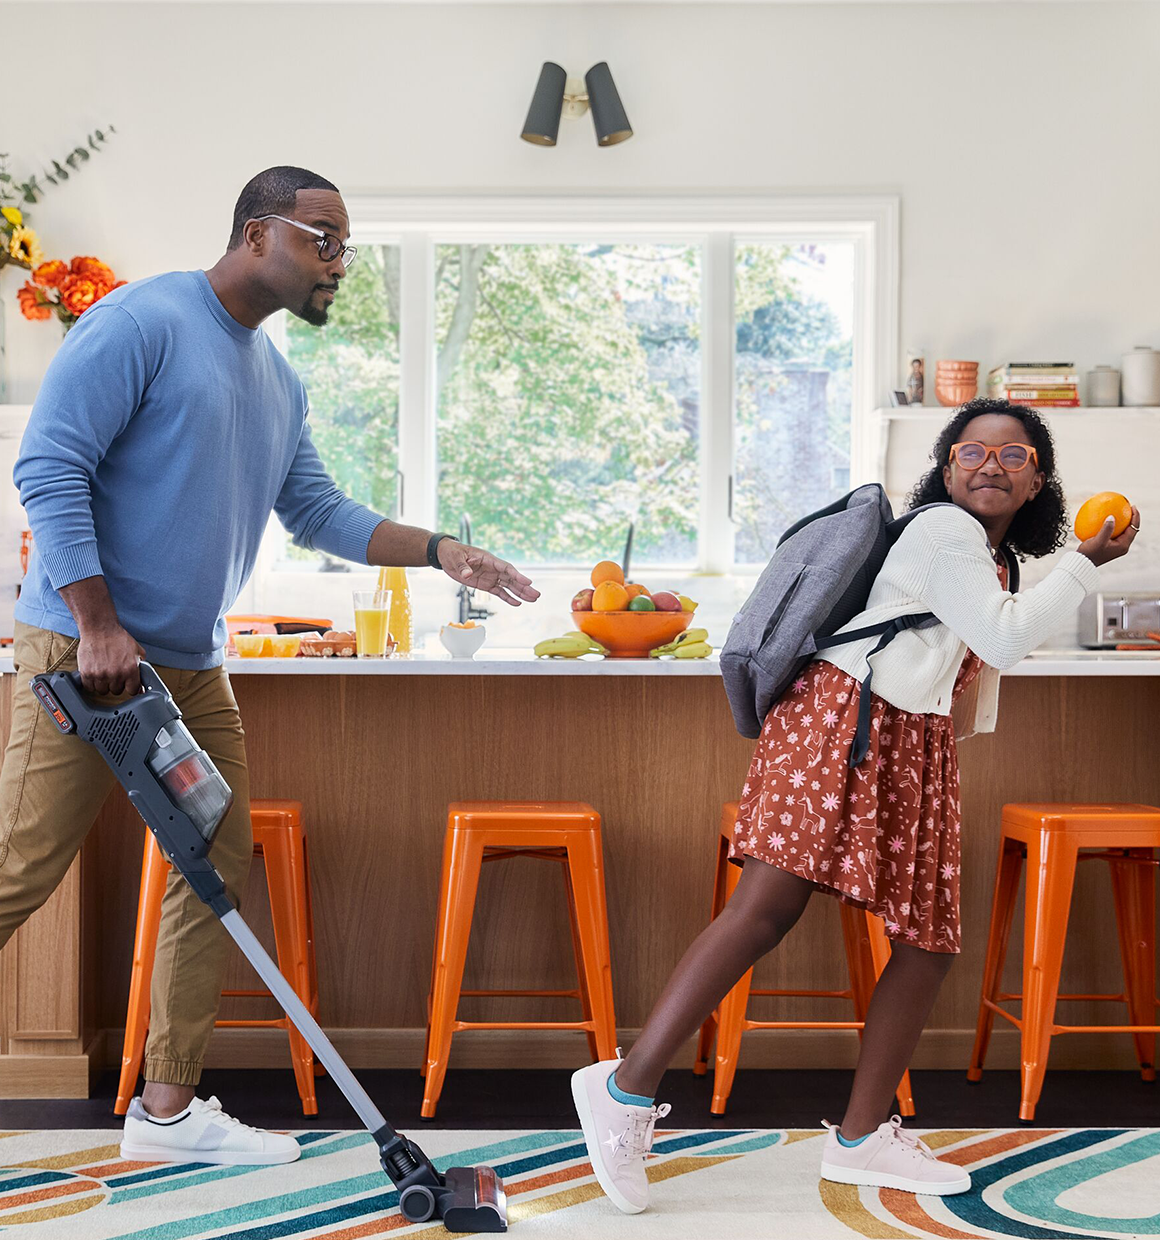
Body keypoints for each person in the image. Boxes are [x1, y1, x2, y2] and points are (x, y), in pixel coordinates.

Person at [2, 166, 539, 1165]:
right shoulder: (140, 322)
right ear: (258, 233)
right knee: (17, 869)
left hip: (189, 667)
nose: (339, 263)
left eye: (344, 244)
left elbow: (317, 511)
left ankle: (164, 1112)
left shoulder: (272, 377)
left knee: (211, 862)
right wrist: (100, 622)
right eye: (323, 240)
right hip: (88, 654)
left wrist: (439, 551)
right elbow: (49, 463)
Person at [571, 397, 1139, 1210]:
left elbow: (970, 657)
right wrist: (1086, 561)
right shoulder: (944, 531)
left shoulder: (994, 558)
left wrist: (926, 766)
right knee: (765, 909)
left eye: (1012, 457)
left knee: (930, 939)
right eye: (970, 453)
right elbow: (1006, 638)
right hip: (845, 721)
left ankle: (863, 1138)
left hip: (908, 744)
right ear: (946, 472)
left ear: (1036, 483)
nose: (989, 465)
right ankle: (624, 1090)